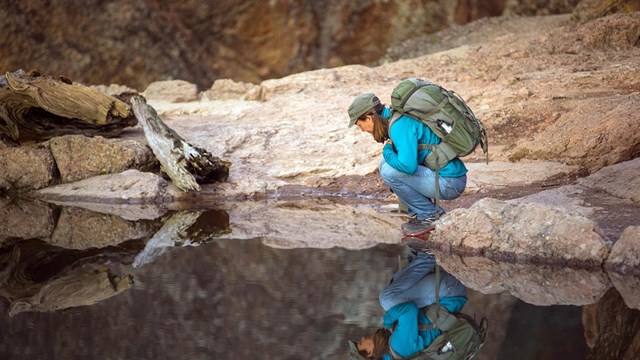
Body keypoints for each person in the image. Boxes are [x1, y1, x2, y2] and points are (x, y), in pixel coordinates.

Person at [347, 92, 468, 236]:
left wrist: (387, 151)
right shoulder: (395, 117)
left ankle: (429, 215)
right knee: (385, 165)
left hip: (450, 184)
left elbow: (408, 167)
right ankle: (416, 211)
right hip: (445, 178)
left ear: (369, 118)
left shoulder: (399, 126)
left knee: (388, 171)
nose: (362, 130)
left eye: (360, 125)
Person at [349, 249, 468, 360]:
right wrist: (388, 321)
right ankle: (428, 255)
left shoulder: (394, 350)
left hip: (446, 293)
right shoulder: (399, 347)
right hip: (450, 291)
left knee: (394, 303)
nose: (362, 338)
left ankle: (416, 255)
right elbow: (409, 310)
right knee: (388, 300)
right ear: (370, 353)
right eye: (360, 343)